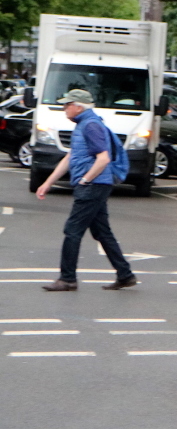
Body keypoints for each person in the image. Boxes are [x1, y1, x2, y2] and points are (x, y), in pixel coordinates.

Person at [36, 89, 136, 292]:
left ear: (78, 106)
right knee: (102, 232)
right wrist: (48, 183)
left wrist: (84, 180)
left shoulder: (90, 125)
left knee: (72, 230)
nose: (64, 109)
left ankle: (67, 279)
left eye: (67, 105)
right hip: (97, 185)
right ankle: (125, 274)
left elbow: (103, 158)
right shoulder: (85, 125)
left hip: (93, 186)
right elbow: (70, 157)